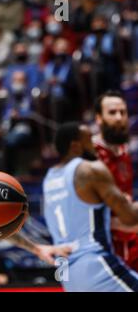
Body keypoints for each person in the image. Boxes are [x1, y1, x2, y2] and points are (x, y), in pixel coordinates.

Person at [43, 122, 138, 291]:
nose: (94, 143)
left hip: (67, 276)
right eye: (88, 139)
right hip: (94, 265)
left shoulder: (49, 178)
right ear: (75, 146)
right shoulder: (89, 170)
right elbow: (129, 217)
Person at [92, 91, 138, 272]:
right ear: (99, 118)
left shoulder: (123, 151)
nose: (119, 117)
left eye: (123, 112)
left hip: (127, 236)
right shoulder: (90, 156)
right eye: (112, 113)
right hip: (104, 244)